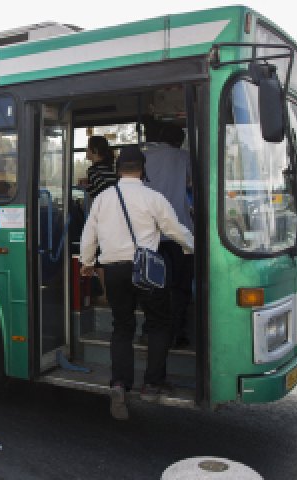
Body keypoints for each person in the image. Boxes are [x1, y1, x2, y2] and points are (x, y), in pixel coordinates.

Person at [80, 146, 193, 420]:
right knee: (158, 324)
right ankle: (152, 384)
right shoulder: (153, 197)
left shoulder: (103, 198)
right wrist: (192, 248)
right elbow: (174, 230)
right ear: (143, 170)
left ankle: (119, 384)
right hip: (146, 270)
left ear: (118, 170)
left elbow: (88, 235)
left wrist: (87, 262)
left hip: (113, 271)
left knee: (122, 327)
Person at [144, 122, 195, 348]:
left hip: (149, 234)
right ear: (179, 141)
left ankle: (151, 330)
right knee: (180, 287)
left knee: (152, 285)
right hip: (178, 232)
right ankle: (177, 333)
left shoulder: (146, 156)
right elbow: (193, 183)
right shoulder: (183, 157)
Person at [83, 136, 118, 303]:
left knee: (99, 257)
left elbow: (102, 192)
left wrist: (87, 188)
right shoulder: (111, 168)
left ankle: (105, 294)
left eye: (88, 148)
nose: (86, 151)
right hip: (116, 217)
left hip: (103, 217)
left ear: (95, 151)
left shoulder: (93, 171)